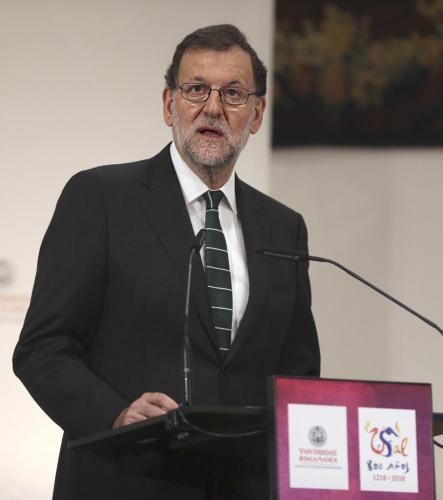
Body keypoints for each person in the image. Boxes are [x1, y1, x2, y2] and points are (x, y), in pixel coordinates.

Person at [13, 24, 320, 500]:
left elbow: (298, 373)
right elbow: (42, 348)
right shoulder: (101, 199)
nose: (212, 108)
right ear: (168, 104)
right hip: (127, 479)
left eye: (233, 93)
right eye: (196, 89)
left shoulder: (284, 227)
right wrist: (116, 414)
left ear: (257, 113)